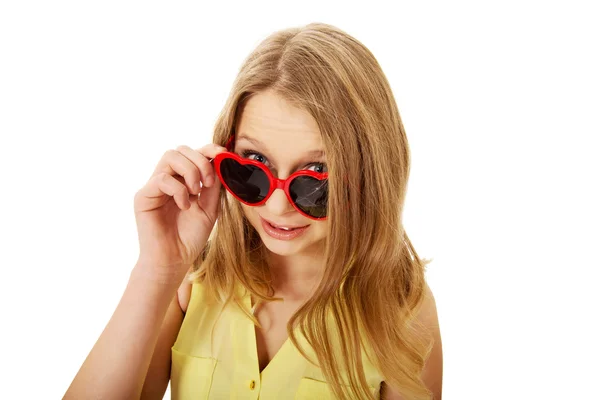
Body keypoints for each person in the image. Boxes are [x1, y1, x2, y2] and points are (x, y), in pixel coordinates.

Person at [64, 22, 443, 400]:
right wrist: (157, 268)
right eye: (255, 161)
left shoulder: (402, 309)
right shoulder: (191, 283)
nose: (276, 206)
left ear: (370, 176)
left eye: (316, 176)